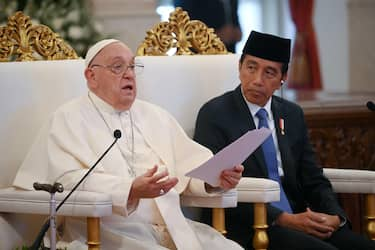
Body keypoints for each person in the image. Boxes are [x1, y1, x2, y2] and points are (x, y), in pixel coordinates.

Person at [12, 39, 244, 250]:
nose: (129, 74)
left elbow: (188, 171)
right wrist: (129, 189)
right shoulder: (67, 118)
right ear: (91, 77)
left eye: (132, 67)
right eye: (117, 67)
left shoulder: (155, 115)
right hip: (105, 233)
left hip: (173, 229)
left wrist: (215, 179)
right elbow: (63, 181)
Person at [193, 31, 375, 250]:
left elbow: (312, 177)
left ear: (283, 79)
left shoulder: (291, 114)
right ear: (240, 67)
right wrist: (282, 219)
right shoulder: (215, 114)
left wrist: (335, 217)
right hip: (248, 227)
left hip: (297, 218)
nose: (257, 80)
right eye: (251, 67)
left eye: (269, 72)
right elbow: (212, 185)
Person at [174, 0, 242, 53]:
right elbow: (183, 26)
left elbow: (235, 22)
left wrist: (237, 31)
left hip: (228, 55)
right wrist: (215, 36)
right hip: (199, 57)